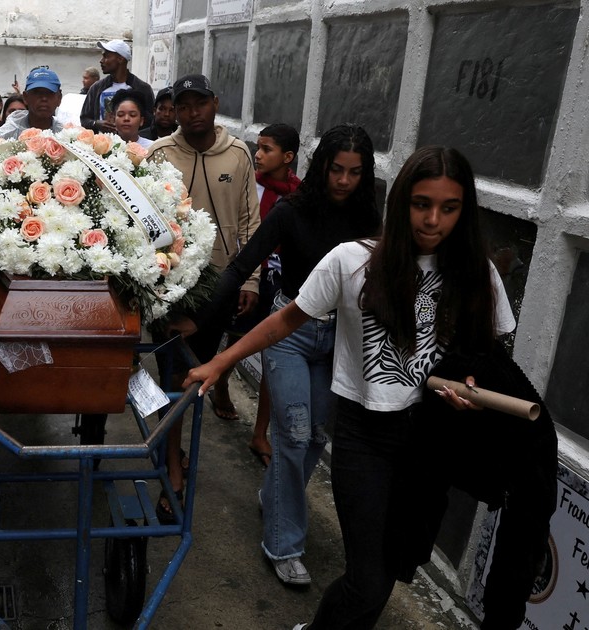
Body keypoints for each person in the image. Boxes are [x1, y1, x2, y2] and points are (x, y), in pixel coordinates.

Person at [181, 146, 516, 629]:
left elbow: (489, 354)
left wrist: (472, 387)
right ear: (401, 202)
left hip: (430, 441)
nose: (433, 220)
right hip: (365, 435)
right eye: (422, 204)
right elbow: (285, 321)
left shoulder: (476, 273)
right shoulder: (353, 260)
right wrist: (220, 362)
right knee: (368, 579)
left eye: (449, 207)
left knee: (395, 564)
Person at [178, 124, 379, 587]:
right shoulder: (292, 210)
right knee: (292, 434)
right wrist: (200, 319)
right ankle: (284, 545)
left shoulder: (368, 218)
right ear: (322, 166)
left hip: (340, 339)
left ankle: (274, 496)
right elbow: (240, 267)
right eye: (336, 169)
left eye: (354, 172)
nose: (344, 180)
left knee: (315, 437)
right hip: (289, 332)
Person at [145, 73, 261, 523]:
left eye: (199, 103)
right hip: (170, 283)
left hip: (221, 285)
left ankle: (171, 446)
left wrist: (249, 281)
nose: (192, 113)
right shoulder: (159, 153)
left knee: (196, 375)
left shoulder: (238, 153)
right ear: (174, 110)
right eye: (182, 105)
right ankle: (172, 469)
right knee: (173, 374)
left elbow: (250, 221)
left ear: (214, 103)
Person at [242, 123, 302, 466]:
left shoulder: (299, 195)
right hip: (249, 273)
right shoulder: (249, 184)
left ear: (288, 157)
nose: (258, 154)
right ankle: (221, 389)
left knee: (271, 352)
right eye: (258, 147)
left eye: (266, 149)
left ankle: (260, 432)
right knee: (237, 337)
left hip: (281, 281)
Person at [80, 40, 155, 135]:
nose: (101, 61)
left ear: (120, 59)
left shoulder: (142, 89)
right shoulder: (96, 88)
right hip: (102, 144)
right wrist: (96, 123)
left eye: (106, 56)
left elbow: (151, 122)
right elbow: (84, 119)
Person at [0, 67, 63, 140]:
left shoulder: (67, 136)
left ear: (59, 98)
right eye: (37, 93)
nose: (44, 98)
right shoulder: (3, 136)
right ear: (25, 97)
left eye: (50, 93)